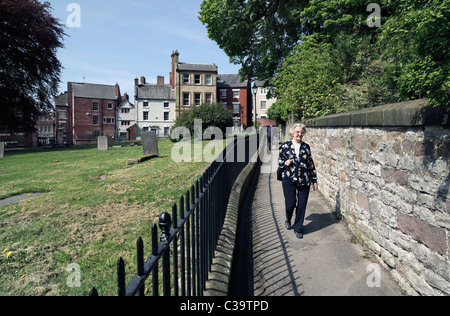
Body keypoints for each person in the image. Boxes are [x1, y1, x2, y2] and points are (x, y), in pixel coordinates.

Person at [278, 123, 318, 239]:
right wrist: (284, 164)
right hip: (289, 179)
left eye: (301, 132)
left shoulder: (306, 147)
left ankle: (298, 227)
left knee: (302, 205)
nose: (299, 134)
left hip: (304, 180)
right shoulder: (285, 146)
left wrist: (314, 181)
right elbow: (279, 162)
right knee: (290, 204)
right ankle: (288, 218)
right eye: (297, 132)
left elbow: (310, 164)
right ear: (292, 133)